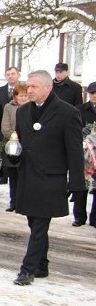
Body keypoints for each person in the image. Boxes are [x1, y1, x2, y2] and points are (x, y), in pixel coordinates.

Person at [12, 70, 85, 285]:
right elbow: (19, 141)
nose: (29, 90)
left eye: (34, 87)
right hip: (28, 176)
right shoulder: (23, 112)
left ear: (47, 88)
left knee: (41, 224)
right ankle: (42, 265)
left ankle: (28, 269)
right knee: (33, 222)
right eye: (28, 86)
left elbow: (74, 151)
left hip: (51, 178)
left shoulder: (67, 113)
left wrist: (77, 183)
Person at [0, 83, 29, 212]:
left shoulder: (31, 108)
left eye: (26, 95)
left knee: (25, 175)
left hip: (28, 146)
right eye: (21, 95)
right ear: (15, 96)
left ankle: (24, 202)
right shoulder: (9, 107)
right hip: (13, 145)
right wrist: (14, 136)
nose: (24, 98)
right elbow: (5, 127)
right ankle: (14, 202)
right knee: (13, 175)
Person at [72, 81, 96, 227]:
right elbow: (73, 128)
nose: (94, 96)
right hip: (83, 152)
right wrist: (82, 134)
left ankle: (94, 219)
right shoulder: (80, 110)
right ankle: (79, 217)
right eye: (92, 93)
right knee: (83, 183)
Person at [0, 67, 20, 185]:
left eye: (13, 73)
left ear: (18, 75)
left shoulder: (23, 89)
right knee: (3, 152)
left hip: (16, 125)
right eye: (8, 74)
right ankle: (3, 176)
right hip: (3, 126)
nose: (10, 76)